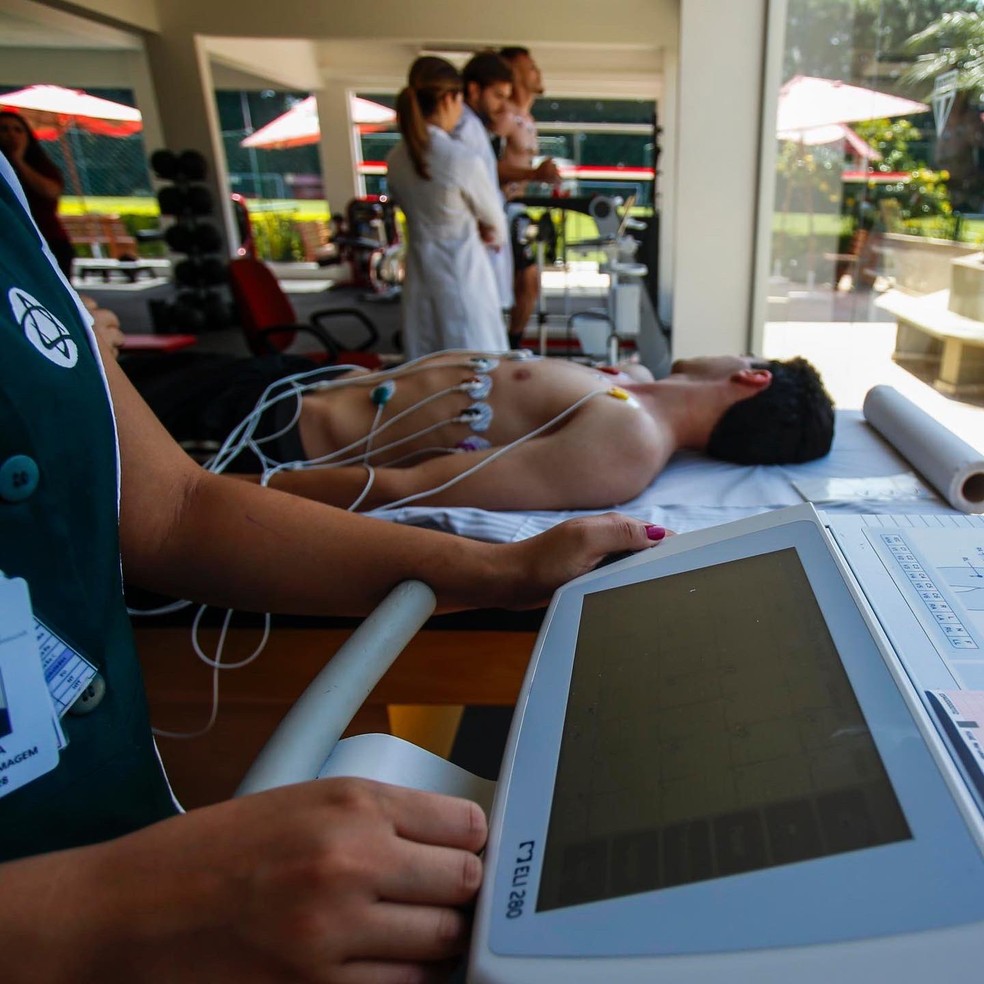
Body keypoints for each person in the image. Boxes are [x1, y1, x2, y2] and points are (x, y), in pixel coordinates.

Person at [0, 155, 666, 980]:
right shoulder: (627, 398)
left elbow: (174, 508)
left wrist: (504, 572)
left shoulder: (11, 209)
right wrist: (107, 911)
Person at [119, 344, 834, 514]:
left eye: (747, 352)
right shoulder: (630, 385)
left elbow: (412, 487)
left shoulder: (630, 447)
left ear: (753, 377)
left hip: (261, 434)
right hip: (289, 382)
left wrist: (207, 496)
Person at [386, 57, 508, 359]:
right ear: (450, 99)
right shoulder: (461, 159)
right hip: (464, 279)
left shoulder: (396, 159)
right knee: (476, 372)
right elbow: (496, 225)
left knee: (427, 374)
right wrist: (486, 230)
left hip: (419, 278)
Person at [497, 47, 561, 349]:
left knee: (529, 284)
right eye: (530, 67)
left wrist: (540, 177)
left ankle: (513, 343)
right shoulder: (503, 117)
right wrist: (534, 174)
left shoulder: (528, 119)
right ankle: (503, 345)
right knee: (517, 284)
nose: (537, 72)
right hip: (496, 211)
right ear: (513, 73)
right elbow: (484, 169)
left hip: (516, 209)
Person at [454, 50, 515, 315]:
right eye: (497, 96)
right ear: (474, 89)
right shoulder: (464, 128)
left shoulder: (474, 127)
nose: (502, 107)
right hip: (475, 240)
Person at [0, 110, 75, 278]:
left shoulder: (42, 166)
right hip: (10, 243)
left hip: (48, 239)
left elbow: (50, 191)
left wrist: (18, 161)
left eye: (18, 130)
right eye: (4, 129)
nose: (11, 134)